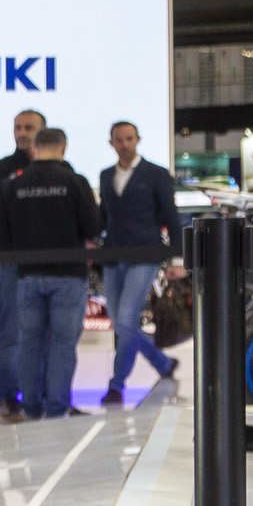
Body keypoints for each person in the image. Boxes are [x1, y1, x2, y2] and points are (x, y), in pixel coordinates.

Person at [0, 127, 101, 420]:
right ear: (63, 149)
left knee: (29, 343)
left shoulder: (13, 185)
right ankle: (57, 409)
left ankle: (31, 408)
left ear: (34, 149)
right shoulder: (75, 182)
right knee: (63, 345)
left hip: (27, 275)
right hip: (69, 275)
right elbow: (93, 227)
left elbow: (2, 235)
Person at [97, 119, 180, 406]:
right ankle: (162, 362)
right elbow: (104, 216)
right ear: (111, 143)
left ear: (138, 140)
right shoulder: (106, 175)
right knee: (122, 324)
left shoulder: (156, 174)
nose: (124, 144)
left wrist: (178, 258)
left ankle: (116, 385)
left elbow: (171, 216)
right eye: (119, 139)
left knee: (125, 321)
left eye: (129, 139)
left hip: (145, 254)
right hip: (112, 256)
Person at [0, 108, 47, 422]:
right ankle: (8, 399)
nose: (22, 133)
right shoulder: (1, 169)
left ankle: (48, 397)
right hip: (11, 261)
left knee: (48, 333)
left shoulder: (57, 169)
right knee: (10, 331)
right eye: (18, 127)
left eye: (29, 128)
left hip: (49, 262)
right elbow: (2, 212)